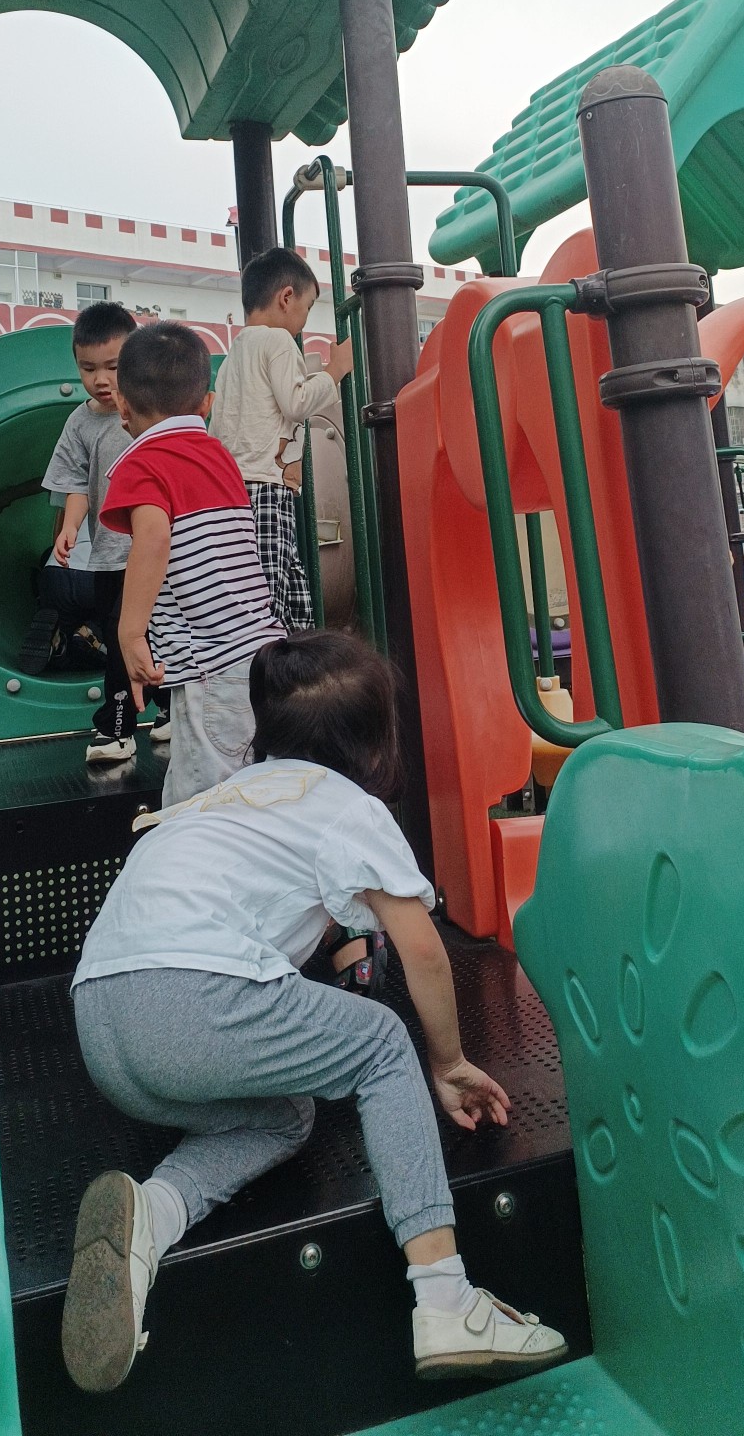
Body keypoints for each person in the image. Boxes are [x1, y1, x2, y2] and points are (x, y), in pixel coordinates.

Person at [61, 630, 567, 1396]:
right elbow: (424, 952)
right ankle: (447, 1301)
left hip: (102, 1022)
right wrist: (448, 1062)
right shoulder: (346, 807)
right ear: (374, 741)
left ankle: (151, 1217)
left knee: (284, 1115)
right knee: (382, 1045)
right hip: (195, 997)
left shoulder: (229, 794)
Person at [101, 319, 285, 807]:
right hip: (262, 656)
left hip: (211, 670)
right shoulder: (219, 456)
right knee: (252, 792)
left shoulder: (142, 461)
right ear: (207, 403)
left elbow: (154, 536)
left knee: (202, 807)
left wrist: (130, 634)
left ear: (121, 404)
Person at [19, 301, 143, 765]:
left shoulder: (150, 410)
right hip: (110, 555)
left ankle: (164, 712)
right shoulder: (81, 422)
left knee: (161, 633)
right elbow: (76, 484)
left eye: (113, 366)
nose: (101, 379)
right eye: (88, 369)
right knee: (119, 638)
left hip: (157, 551)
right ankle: (119, 729)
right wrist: (70, 527)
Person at [209, 246, 353, 630]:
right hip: (265, 485)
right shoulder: (277, 341)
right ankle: (275, 653)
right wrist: (335, 371)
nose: (304, 321)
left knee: (279, 576)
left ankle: (295, 642)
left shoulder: (235, 353)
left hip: (233, 487)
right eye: (307, 308)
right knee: (271, 590)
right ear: (286, 297)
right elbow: (296, 402)